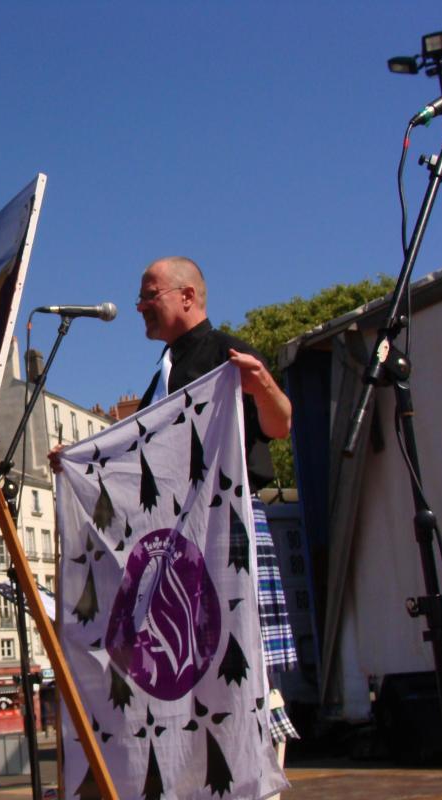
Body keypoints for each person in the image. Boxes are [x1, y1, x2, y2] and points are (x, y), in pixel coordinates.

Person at [51, 256, 299, 748]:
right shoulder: (161, 374)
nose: (139, 306)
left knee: (248, 664)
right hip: (178, 538)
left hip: (229, 528)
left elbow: (280, 424)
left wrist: (264, 385)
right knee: (191, 669)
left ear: (187, 296)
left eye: (150, 295)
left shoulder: (228, 354)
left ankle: (262, 778)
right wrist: (78, 459)